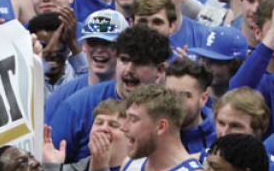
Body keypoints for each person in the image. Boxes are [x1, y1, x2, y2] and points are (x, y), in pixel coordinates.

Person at [50, 25, 170, 162]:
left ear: (160, 70)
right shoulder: (77, 106)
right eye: (124, 60)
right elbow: (50, 164)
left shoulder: (170, 110)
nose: (129, 69)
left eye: (140, 62)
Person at [44, 9, 128, 121]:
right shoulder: (62, 95)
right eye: (93, 42)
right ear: (84, 45)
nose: (99, 50)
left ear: (125, 48)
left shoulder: (134, 92)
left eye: (107, 43)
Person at [165, 58, 216, 155]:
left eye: (184, 95)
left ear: (203, 99)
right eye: (169, 94)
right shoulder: (154, 132)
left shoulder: (220, 132)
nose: (175, 102)